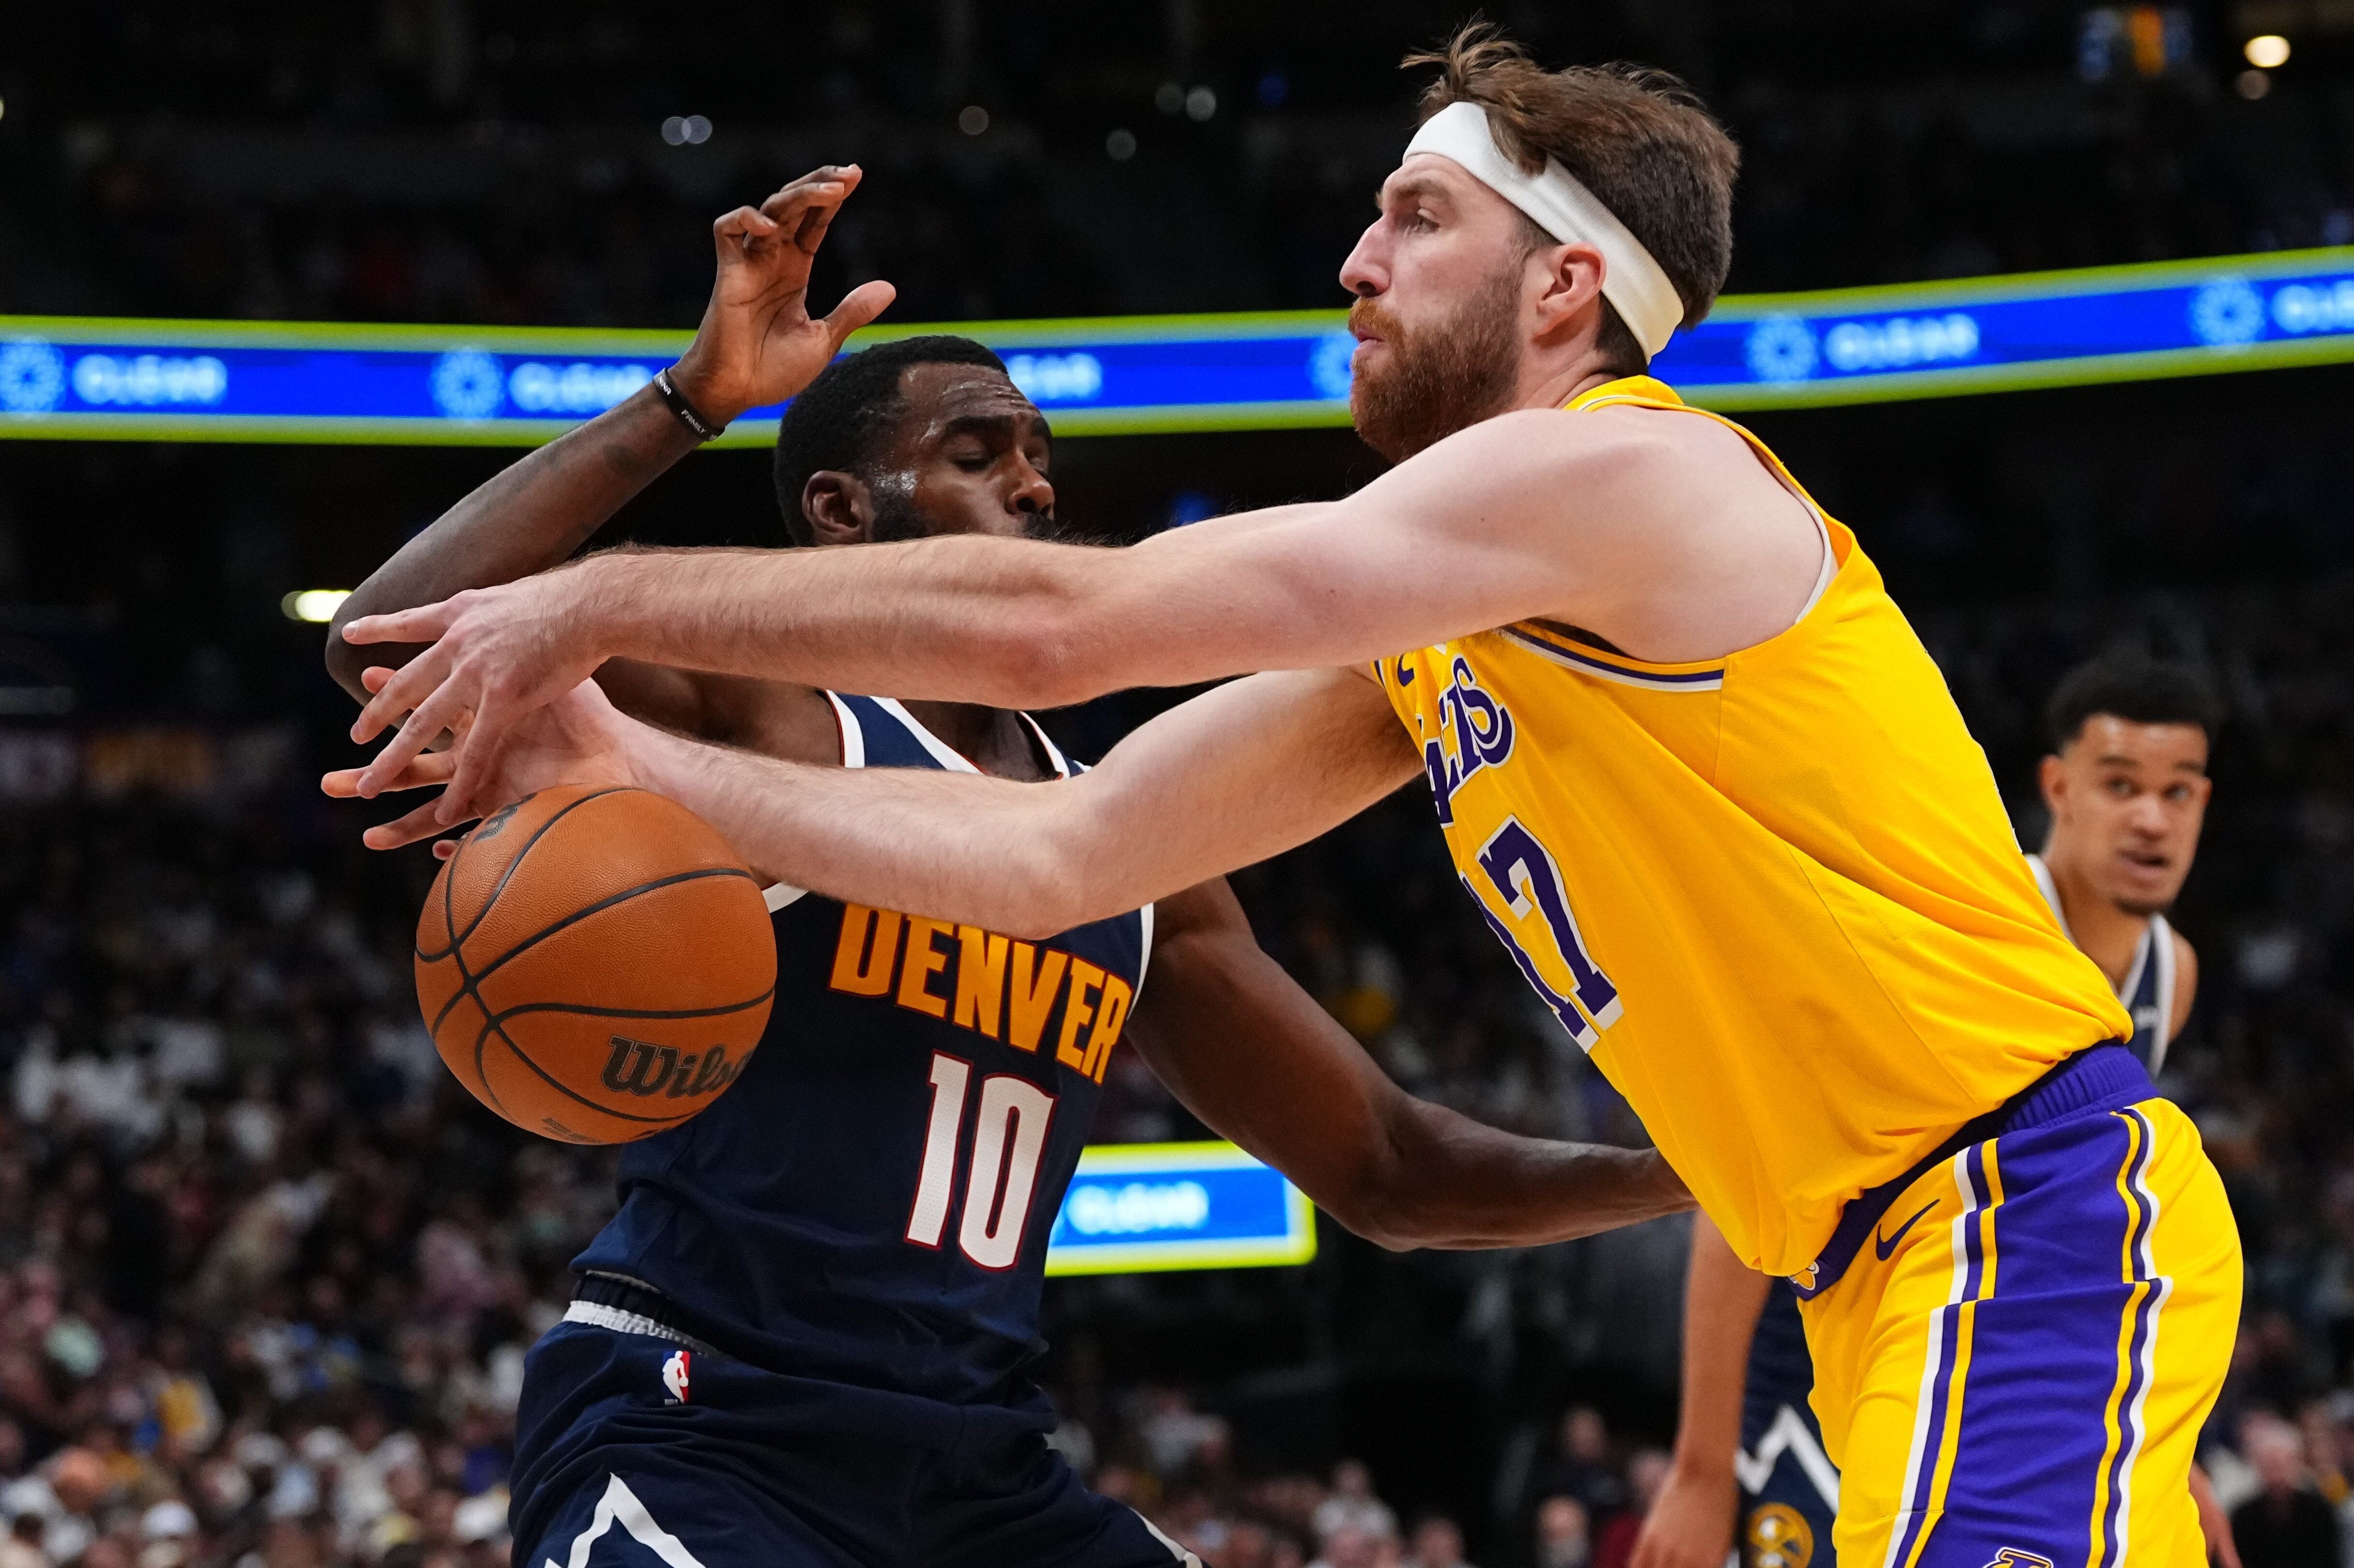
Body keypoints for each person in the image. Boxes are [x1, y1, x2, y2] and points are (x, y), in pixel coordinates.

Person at [339, 24, 2245, 1566]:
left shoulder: (1625, 474)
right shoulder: (1447, 651)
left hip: (2016, 1212)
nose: (1353, 262)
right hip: (1878, 1264)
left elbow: (1072, 635)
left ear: (1565, 282)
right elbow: (1065, 853)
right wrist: (624, 753)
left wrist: (589, 603)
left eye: (1414, 217)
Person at [323, 166, 1689, 1568]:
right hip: (702, 1423)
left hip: (981, 1471)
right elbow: (387, 643)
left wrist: (1697, 1170)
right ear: (845, 516)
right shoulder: (772, 719)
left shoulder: (1138, 842)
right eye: (977, 453)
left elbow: (1394, 1168)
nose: (1033, 479)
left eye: (1035, 450)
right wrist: (688, 403)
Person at [1632, 649, 2232, 1568]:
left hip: (1998, 1370)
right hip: (1825, 1352)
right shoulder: (1965, 925)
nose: (2150, 819)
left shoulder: (2168, 975)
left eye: (2177, 792)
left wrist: (2171, 1464)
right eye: (2119, 785)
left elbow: (2109, 1238)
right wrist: (1701, 1466)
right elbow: (1756, 1184)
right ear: (2057, 787)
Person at [2228, 1417, 2341, 1568]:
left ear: (2297, 1464)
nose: (2277, 1474)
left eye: (2283, 1464)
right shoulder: (2243, 1518)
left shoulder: (2319, 1513)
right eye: (2270, 1464)